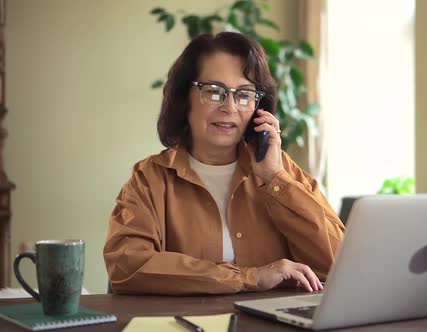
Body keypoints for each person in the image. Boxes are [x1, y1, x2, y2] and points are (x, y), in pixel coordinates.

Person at [103, 32, 346, 295]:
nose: (230, 107)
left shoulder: (280, 171)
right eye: (215, 92)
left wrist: (275, 180)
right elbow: (127, 266)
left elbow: (339, 264)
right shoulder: (149, 179)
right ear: (186, 98)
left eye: (244, 94)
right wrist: (250, 277)